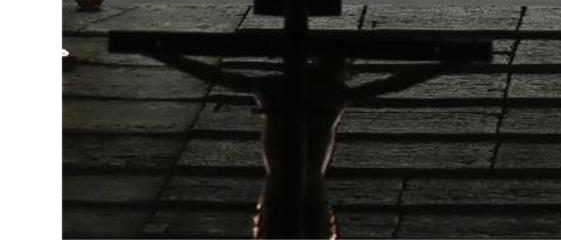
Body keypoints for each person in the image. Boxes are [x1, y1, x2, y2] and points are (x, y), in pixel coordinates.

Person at [149, 53, 445, 239]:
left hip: (284, 186)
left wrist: (163, 54)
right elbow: (394, 83)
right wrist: (446, 63)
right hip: (304, 188)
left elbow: (214, 75)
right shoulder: (334, 96)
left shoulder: (275, 89)